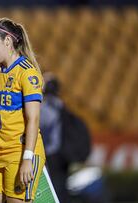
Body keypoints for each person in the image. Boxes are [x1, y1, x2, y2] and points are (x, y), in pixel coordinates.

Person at [0, 18, 46, 203]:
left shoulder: (27, 73)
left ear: (7, 41)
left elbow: (34, 119)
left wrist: (27, 159)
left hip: (20, 154)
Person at [40, 74, 91, 203]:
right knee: (61, 188)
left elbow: (42, 124)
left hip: (52, 154)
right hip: (63, 153)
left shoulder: (46, 106)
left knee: (54, 190)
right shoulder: (60, 104)